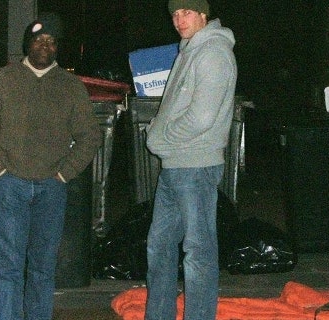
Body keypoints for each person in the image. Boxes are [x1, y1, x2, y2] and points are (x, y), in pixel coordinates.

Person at [0, 13, 101, 320]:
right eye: (39, 40)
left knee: (42, 267)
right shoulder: (3, 80)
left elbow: (90, 136)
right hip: (10, 184)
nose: (45, 46)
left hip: (51, 188)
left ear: (57, 48)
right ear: (29, 44)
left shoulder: (70, 86)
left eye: (51, 41)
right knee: (7, 266)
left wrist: (65, 172)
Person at [144, 0, 238, 319]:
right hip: (175, 167)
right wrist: (164, 138)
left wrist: (160, 138)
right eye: (174, 14)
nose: (179, 20)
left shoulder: (213, 52)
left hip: (195, 167)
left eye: (186, 12)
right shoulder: (189, 49)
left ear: (203, 14)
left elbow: (201, 118)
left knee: (197, 254)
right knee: (159, 248)